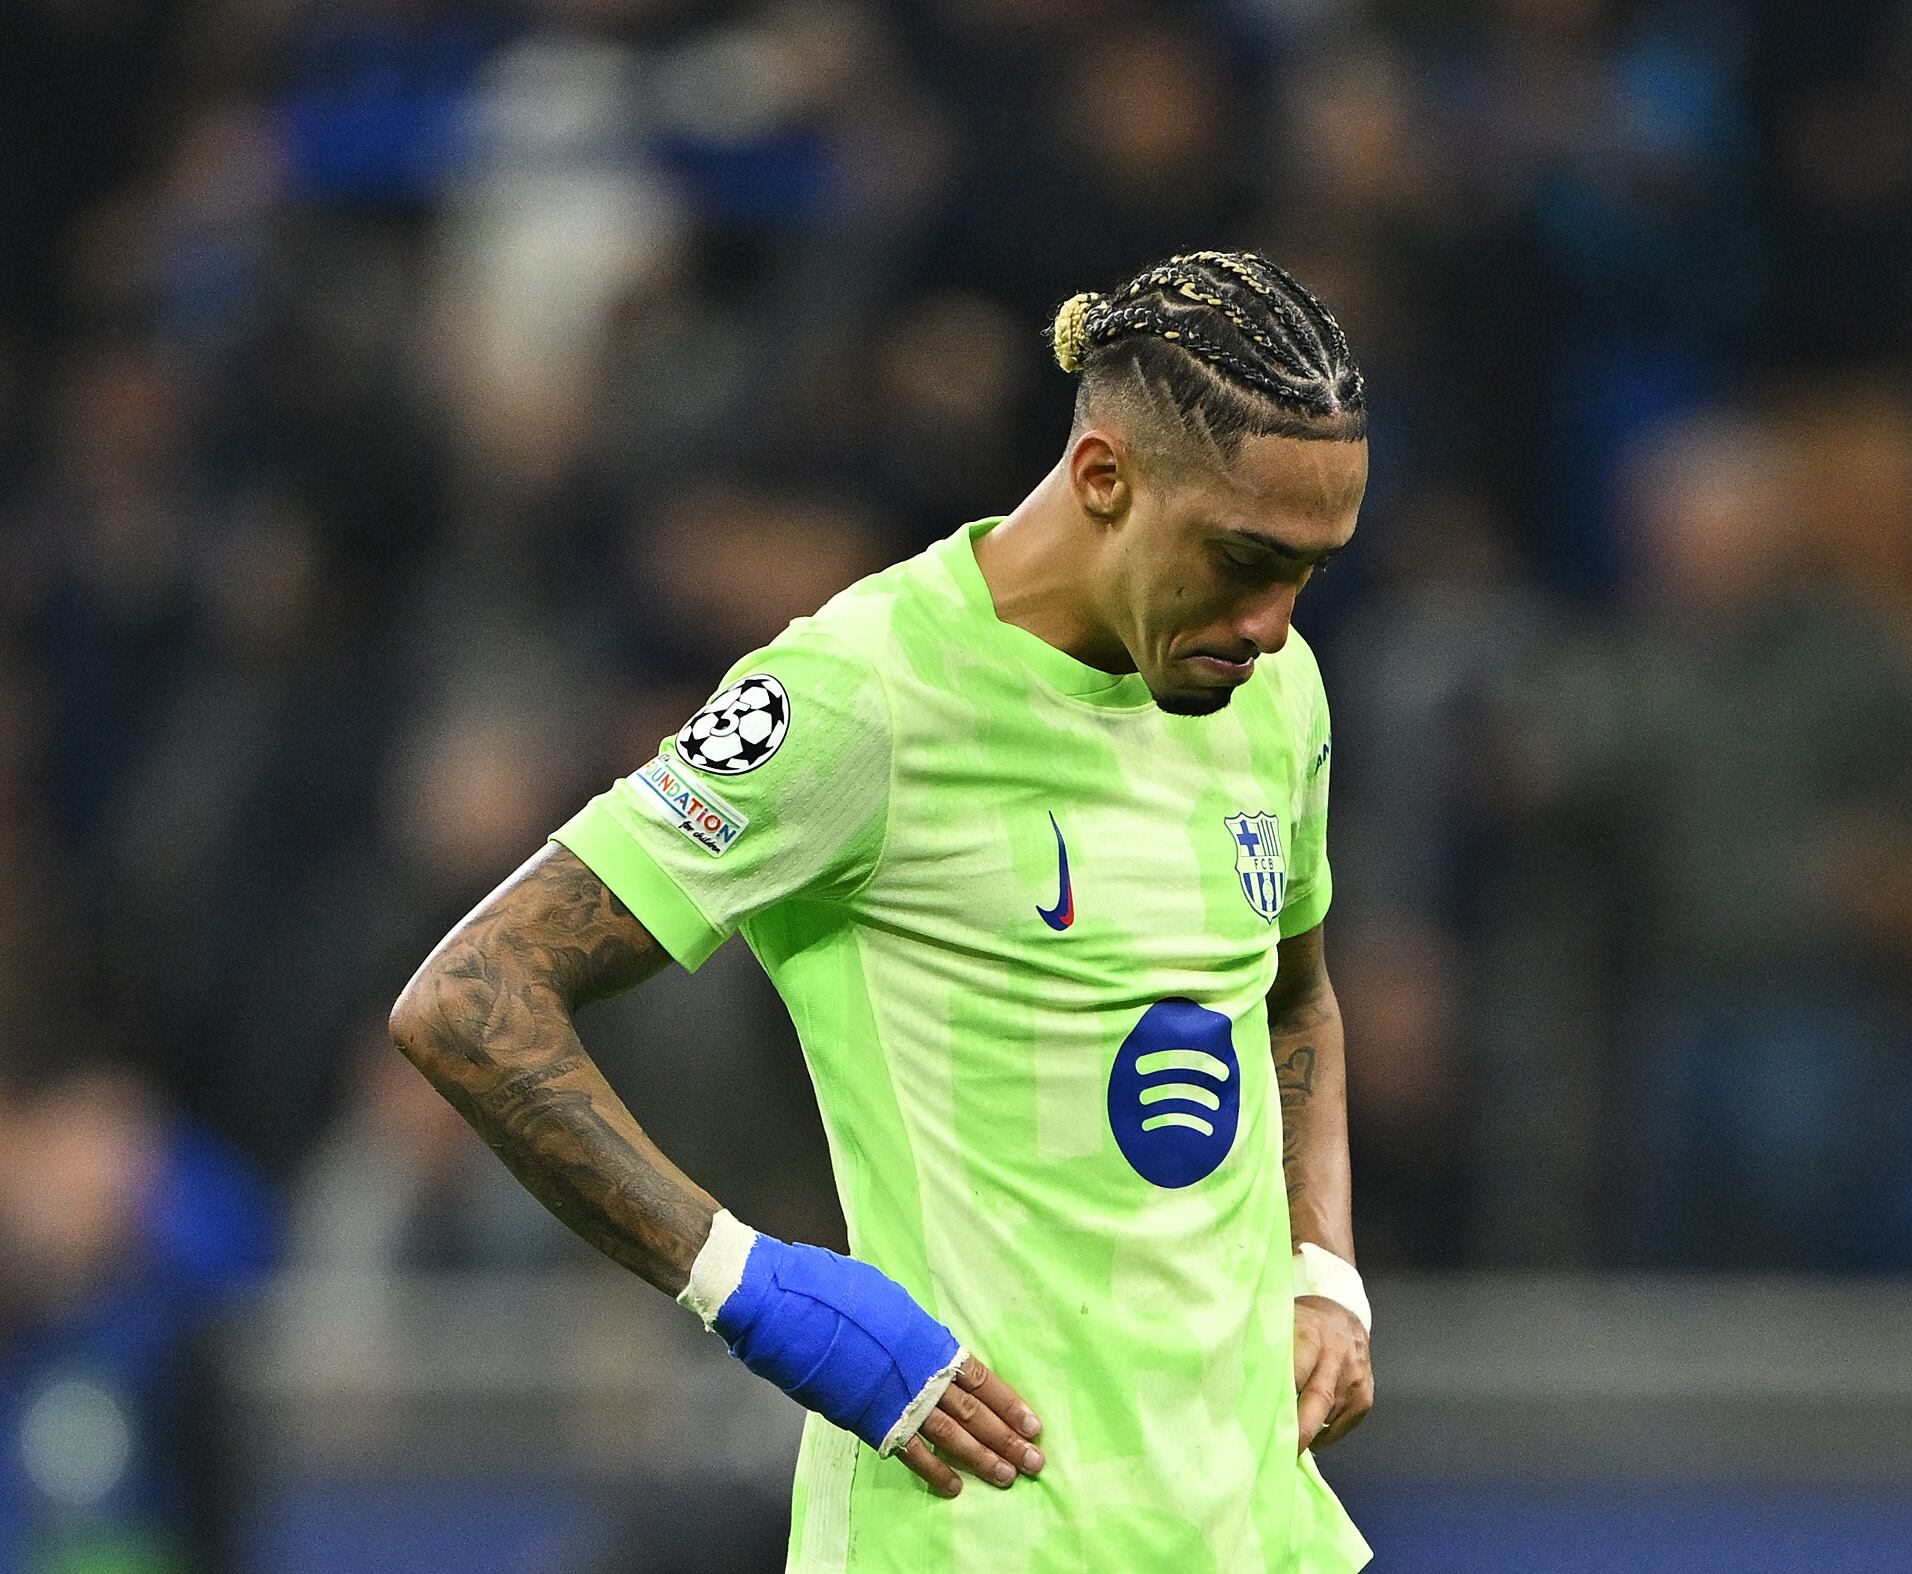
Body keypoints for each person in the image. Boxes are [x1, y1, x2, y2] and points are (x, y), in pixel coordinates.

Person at [389, 250, 1375, 1571]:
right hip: (978, 1544)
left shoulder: (1275, 691)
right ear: (1102, 478)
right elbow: (470, 999)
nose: (1271, 619)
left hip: (1262, 1537)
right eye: (1243, 559)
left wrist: (1327, 1272)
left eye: (1308, 571)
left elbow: (1291, 995)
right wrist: (754, 1287)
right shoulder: (862, 697)